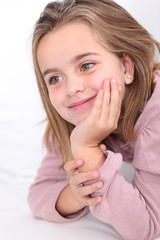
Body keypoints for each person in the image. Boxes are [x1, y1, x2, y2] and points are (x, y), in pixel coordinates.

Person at [28, 0, 160, 239]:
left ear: (126, 67)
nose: (72, 88)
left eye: (86, 65)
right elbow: (38, 194)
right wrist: (76, 195)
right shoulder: (78, 116)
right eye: (55, 79)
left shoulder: (156, 121)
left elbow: (145, 228)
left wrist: (87, 149)